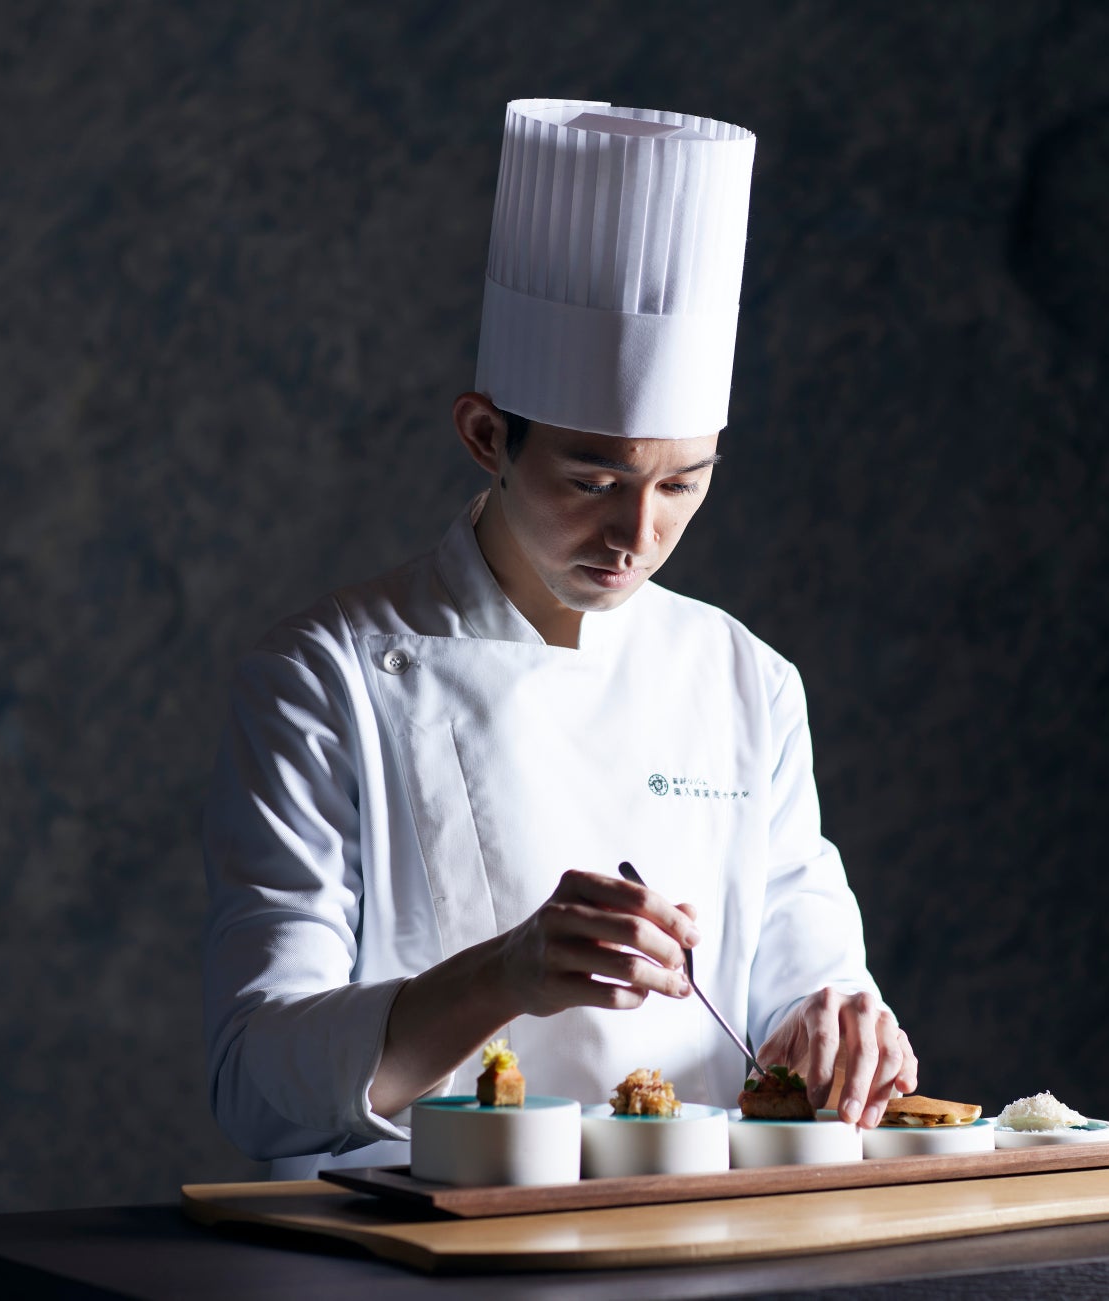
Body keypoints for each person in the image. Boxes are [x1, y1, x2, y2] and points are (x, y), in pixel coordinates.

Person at [202, 99, 916, 1177]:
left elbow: (809, 984)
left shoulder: (747, 679)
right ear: (486, 435)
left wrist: (841, 1026)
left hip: (697, 1230)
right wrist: (508, 973)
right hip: (417, 1235)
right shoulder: (324, 678)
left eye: (683, 484)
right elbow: (256, 1081)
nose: (637, 534)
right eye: (594, 480)